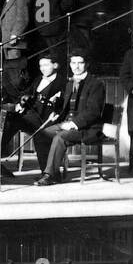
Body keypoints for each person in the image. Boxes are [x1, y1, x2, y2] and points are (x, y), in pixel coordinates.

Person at [34, 53, 107, 186]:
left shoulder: (96, 84)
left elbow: (93, 112)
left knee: (60, 137)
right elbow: (66, 107)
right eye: (73, 63)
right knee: (41, 134)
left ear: (87, 64)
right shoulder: (69, 83)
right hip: (68, 123)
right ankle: (51, 172)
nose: (76, 67)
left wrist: (74, 123)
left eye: (80, 63)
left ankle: (49, 175)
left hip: (88, 128)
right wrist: (57, 112)